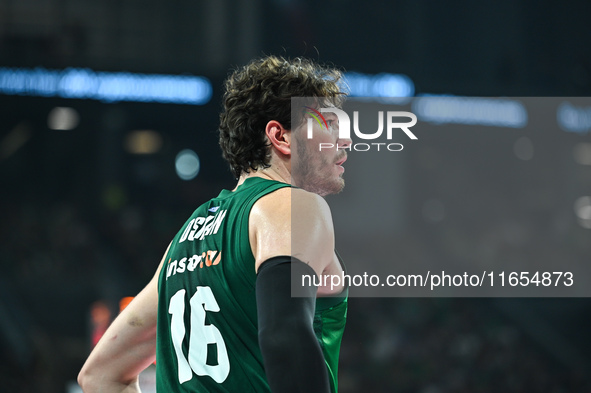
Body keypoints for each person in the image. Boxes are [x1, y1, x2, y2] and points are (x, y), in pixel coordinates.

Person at [78, 55, 351, 393]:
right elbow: (285, 336)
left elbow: (99, 375)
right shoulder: (295, 205)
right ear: (280, 137)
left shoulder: (184, 240)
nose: (345, 142)